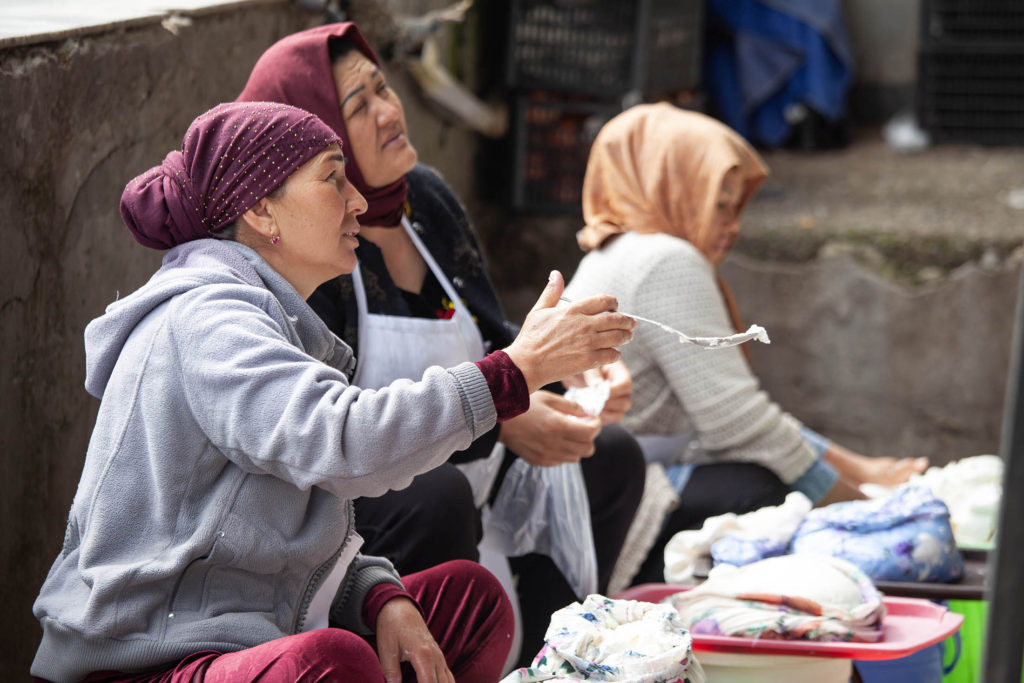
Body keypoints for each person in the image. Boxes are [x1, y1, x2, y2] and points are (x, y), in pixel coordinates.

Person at [30, 101, 636, 683]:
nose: (357, 201)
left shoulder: (279, 319)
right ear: (263, 212)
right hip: (151, 657)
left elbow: (289, 530)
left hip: (256, 626)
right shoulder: (209, 319)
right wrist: (515, 372)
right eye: (333, 180)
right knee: (331, 664)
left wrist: (377, 596)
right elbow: (342, 442)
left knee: (468, 603)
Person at [236, 22, 646, 665]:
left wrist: (571, 371)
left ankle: (557, 662)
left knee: (611, 457)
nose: (388, 111)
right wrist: (501, 422)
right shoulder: (306, 253)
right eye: (357, 106)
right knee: (437, 497)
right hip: (357, 488)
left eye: (384, 88)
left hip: (468, 430)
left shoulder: (423, 198)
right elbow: (335, 429)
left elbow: (486, 330)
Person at [565, 103, 929, 586]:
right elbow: (740, 424)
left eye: (737, 207)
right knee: (762, 487)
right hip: (620, 501)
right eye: (719, 202)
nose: (733, 224)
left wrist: (859, 467)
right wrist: (860, 509)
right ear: (672, 183)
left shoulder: (619, 250)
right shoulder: (662, 259)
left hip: (594, 490)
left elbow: (732, 408)